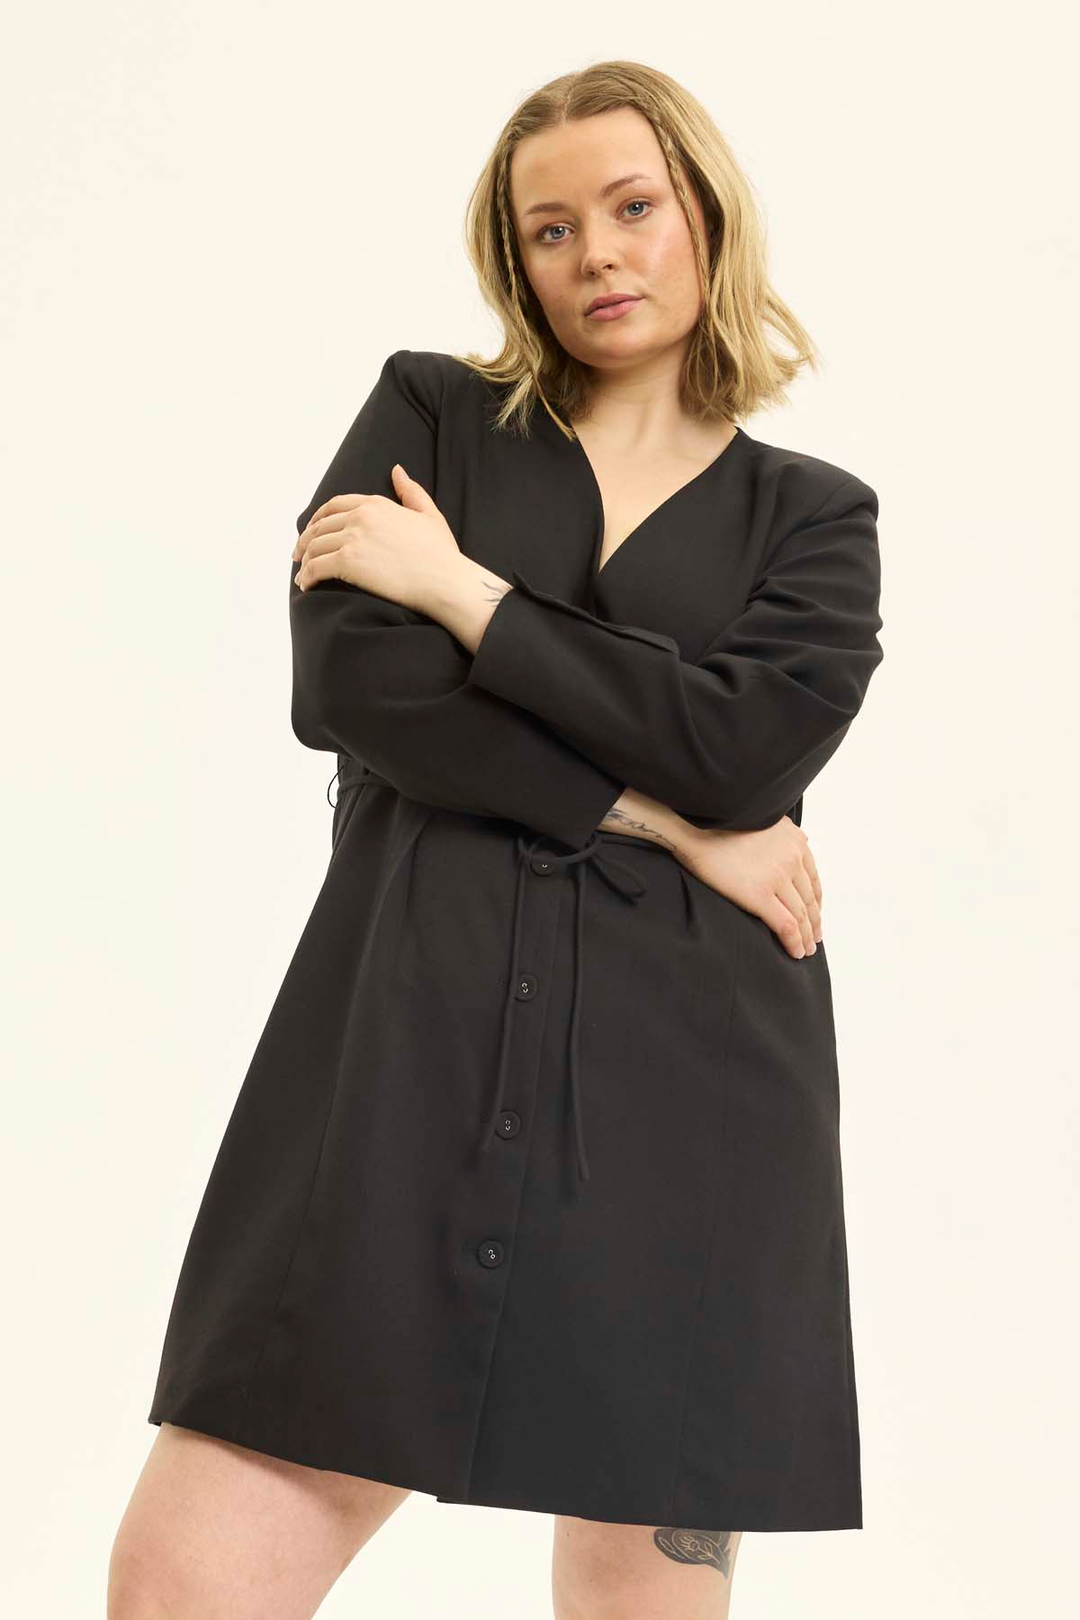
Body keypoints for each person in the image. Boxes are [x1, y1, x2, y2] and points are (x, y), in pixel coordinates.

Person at [108, 59, 884, 1620]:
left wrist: (465, 595)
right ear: (514, 259)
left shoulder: (815, 517)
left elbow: (748, 749)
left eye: (632, 206)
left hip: (689, 1102)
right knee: (184, 1579)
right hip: (401, 1063)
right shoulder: (432, 418)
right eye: (550, 228)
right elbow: (354, 690)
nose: (597, 253)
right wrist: (667, 819)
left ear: (705, 213)